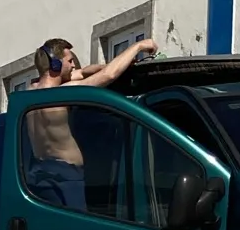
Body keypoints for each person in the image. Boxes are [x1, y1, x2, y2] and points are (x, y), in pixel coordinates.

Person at [23, 34, 155, 211]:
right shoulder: (62, 94)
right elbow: (109, 75)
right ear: (55, 63)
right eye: (69, 61)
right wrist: (139, 46)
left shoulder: (29, 92)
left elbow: (84, 71)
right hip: (66, 175)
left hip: (39, 174)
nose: (73, 65)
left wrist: (123, 64)